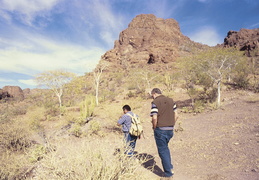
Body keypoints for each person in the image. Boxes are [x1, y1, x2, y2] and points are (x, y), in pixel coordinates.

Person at [150, 88, 178, 179]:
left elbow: (154, 118)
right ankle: (170, 168)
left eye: (152, 95)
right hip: (170, 129)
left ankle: (168, 174)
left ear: (154, 94)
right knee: (165, 149)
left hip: (160, 129)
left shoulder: (155, 102)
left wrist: (154, 127)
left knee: (162, 150)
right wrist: (172, 124)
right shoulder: (171, 100)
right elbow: (176, 115)